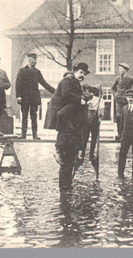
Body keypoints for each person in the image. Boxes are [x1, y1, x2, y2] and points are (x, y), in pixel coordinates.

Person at [44, 63, 89, 191]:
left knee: (69, 160)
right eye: (81, 72)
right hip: (64, 122)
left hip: (71, 124)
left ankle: (67, 186)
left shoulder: (75, 83)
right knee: (66, 161)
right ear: (74, 71)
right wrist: (80, 100)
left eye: (84, 74)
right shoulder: (67, 81)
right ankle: (64, 188)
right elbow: (66, 94)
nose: (82, 76)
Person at [15, 53, 55, 140]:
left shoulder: (37, 72)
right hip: (24, 98)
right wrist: (18, 96)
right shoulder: (21, 71)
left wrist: (55, 91)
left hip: (34, 98)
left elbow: (44, 83)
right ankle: (23, 134)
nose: (35, 62)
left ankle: (35, 134)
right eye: (33, 60)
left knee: (34, 116)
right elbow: (18, 84)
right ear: (29, 60)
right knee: (24, 116)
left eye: (35, 60)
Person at [111, 63, 133, 140]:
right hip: (119, 100)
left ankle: (125, 134)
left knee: (126, 117)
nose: (120, 70)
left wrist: (132, 96)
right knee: (118, 117)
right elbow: (112, 88)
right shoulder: (118, 79)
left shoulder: (130, 79)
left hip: (127, 101)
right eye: (119, 69)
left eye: (121, 69)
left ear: (126, 70)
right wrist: (115, 94)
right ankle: (119, 134)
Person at [80, 84, 103, 163]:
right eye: (90, 91)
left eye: (92, 92)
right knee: (89, 138)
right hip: (90, 120)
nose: (91, 93)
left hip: (91, 119)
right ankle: (86, 154)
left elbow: (101, 110)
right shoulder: (85, 99)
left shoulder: (95, 99)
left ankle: (87, 154)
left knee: (90, 138)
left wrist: (99, 116)